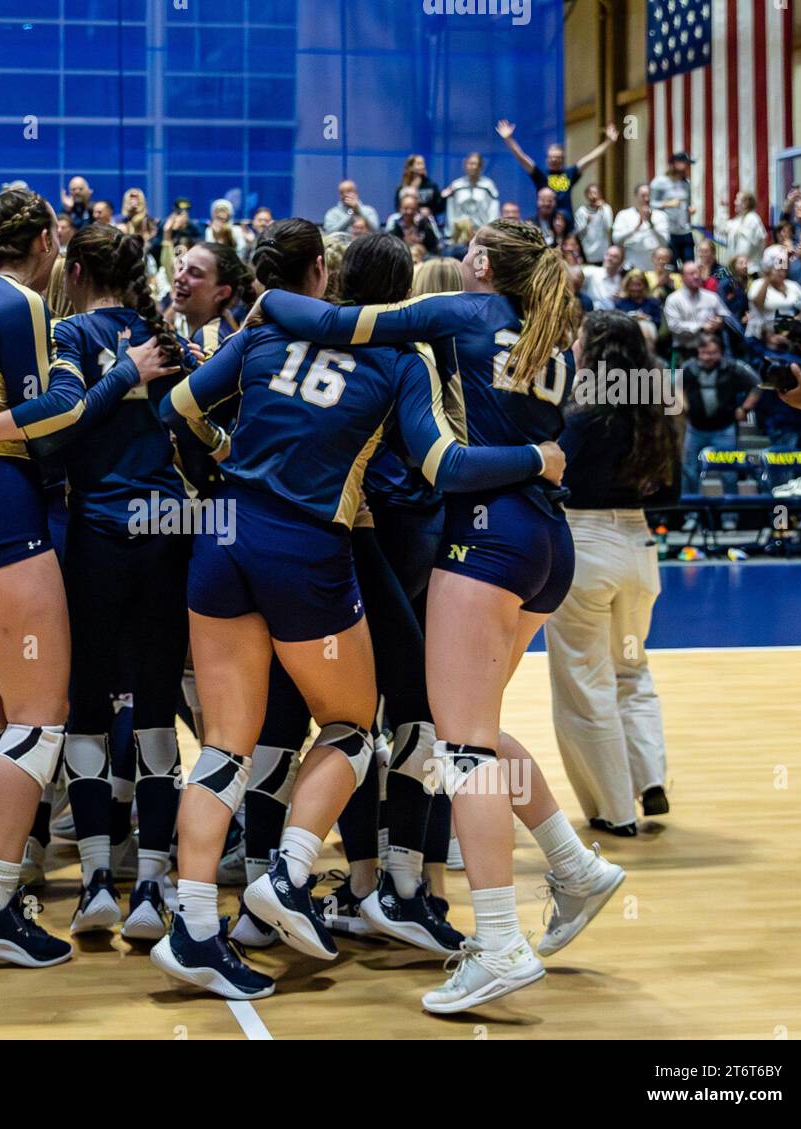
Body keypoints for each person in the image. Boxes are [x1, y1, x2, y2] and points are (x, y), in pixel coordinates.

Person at [152, 219, 567, 1001]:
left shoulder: (265, 328)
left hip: (223, 530)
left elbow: (173, 408)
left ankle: (195, 925)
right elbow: (442, 463)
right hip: (304, 548)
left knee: (223, 744)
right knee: (351, 726)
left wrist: (220, 447)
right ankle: (290, 874)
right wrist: (537, 459)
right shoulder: (401, 357)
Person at [253, 219, 624, 1013]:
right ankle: (574, 864)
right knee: (478, 729)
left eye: (468, 248)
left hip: (487, 539)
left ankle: (497, 943)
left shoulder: (462, 311)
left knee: (463, 750)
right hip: (548, 542)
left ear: (481, 264)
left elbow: (333, 322)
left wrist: (267, 292)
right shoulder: (548, 341)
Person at [0, 188, 176, 967]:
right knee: (41, 717)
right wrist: (123, 371)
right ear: (49, 237)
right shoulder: (23, 299)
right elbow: (59, 408)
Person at [32, 223, 190, 938]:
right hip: (166, 530)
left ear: (77, 266)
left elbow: (59, 428)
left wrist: (114, 380)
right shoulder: (169, 339)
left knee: (89, 707)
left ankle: (98, 880)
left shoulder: (67, 334)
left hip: (96, 532)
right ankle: (153, 888)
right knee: (157, 708)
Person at [546, 311, 681, 835]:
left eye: (579, 338)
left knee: (585, 679)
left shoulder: (582, 413)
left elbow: (554, 477)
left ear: (594, 349)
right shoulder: (660, 410)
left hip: (587, 544)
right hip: (640, 545)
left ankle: (613, 811)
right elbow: (670, 493)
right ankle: (651, 780)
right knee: (632, 669)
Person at [678, 334, 761, 495]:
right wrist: (683, 403)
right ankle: (692, 514)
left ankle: (729, 516)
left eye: (712, 353)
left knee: (729, 472)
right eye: (704, 352)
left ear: (721, 352)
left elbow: (757, 384)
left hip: (724, 428)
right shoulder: (689, 367)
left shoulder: (733, 367)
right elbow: (676, 385)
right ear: (698, 352)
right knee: (689, 471)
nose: (707, 357)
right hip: (695, 428)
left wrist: (745, 408)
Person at [496, 119, 620, 219]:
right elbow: (522, 157)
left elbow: (590, 158)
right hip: (545, 222)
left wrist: (609, 142)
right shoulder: (540, 175)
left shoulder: (570, 173)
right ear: (547, 159)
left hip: (567, 224)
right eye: (551, 157)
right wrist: (508, 139)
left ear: (562, 159)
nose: (554, 160)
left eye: (557, 157)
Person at [663, 260, 729, 353]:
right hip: (686, 348)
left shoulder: (712, 296)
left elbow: (725, 316)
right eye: (691, 274)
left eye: (698, 273)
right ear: (682, 277)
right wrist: (701, 327)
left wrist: (720, 321)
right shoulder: (673, 299)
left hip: (712, 348)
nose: (696, 276)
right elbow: (674, 325)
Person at [746, 247, 801, 340]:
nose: (781, 273)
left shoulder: (792, 285)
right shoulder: (758, 284)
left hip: (788, 334)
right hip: (761, 335)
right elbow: (758, 303)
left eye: (784, 270)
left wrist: (796, 320)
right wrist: (767, 279)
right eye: (778, 270)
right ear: (769, 271)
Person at [650, 152, 696, 264]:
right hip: (668, 231)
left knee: (689, 263)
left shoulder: (686, 184)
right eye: (685, 164)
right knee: (671, 264)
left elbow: (687, 203)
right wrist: (667, 204)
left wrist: (690, 209)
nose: (687, 167)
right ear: (675, 164)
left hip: (684, 230)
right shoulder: (659, 182)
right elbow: (651, 204)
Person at [612, 184, 671, 273]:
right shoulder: (623, 215)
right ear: (636, 196)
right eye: (643, 196)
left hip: (654, 264)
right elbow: (616, 240)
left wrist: (651, 224)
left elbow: (665, 242)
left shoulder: (661, 215)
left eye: (649, 195)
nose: (647, 199)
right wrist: (635, 228)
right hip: (632, 262)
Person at [441, 152, 499, 233]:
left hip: (481, 234)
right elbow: (451, 211)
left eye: (477, 164)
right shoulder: (456, 185)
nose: (474, 167)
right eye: (471, 164)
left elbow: (493, 210)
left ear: (481, 167)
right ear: (465, 165)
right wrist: (451, 232)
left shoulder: (488, 185)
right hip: (460, 234)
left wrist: (490, 231)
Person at [715, 190, 768, 267]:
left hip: (750, 268)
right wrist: (722, 209)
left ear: (745, 203)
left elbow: (747, 246)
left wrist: (739, 263)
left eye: (737, 200)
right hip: (737, 267)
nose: (735, 203)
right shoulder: (737, 221)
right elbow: (721, 228)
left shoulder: (752, 219)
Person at [573, 183, 614, 265]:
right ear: (586, 195)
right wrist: (586, 222)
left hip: (603, 250)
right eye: (590, 193)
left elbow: (609, 226)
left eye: (595, 193)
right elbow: (577, 232)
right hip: (587, 250)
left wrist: (601, 210)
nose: (593, 196)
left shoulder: (606, 208)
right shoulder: (582, 211)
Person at [395, 154, 443, 219]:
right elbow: (398, 207)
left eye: (423, 163)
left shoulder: (431, 186)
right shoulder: (402, 188)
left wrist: (430, 211)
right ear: (410, 167)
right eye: (419, 164)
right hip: (407, 222)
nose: (423, 166)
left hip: (426, 223)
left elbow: (439, 207)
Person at [582, 243, 625, 310]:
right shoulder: (591, 272)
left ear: (621, 261)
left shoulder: (622, 280)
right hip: (591, 313)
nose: (609, 258)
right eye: (608, 255)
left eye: (615, 256)